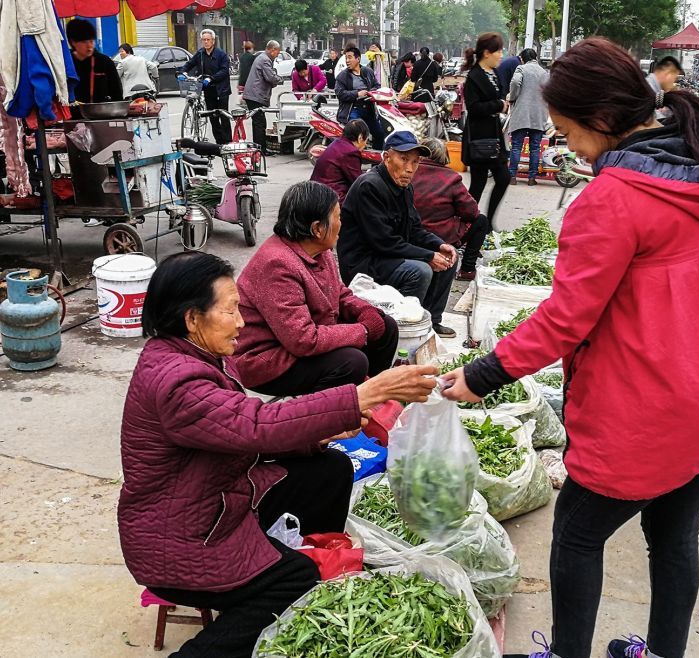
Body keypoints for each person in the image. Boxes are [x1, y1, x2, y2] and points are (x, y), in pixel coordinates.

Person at [442, 37, 699, 658]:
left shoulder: (610, 199)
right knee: (674, 533)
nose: (565, 146)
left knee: (576, 537)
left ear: (601, 121)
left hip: (650, 409)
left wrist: (482, 373)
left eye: (566, 131)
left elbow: (565, 319)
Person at [118, 251, 437, 658]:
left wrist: (319, 435)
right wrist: (362, 394)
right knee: (298, 579)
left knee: (330, 467)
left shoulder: (197, 355)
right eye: (231, 311)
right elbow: (256, 424)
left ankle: (295, 549)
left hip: (218, 499)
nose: (240, 323)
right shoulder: (176, 381)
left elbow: (240, 431)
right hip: (181, 539)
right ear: (192, 319)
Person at [233, 182, 399, 397]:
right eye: (337, 217)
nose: (342, 222)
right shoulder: (277, 264)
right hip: (269, 359)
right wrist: (364, 330)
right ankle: (331, 414)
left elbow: (337, 292)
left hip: (301, 338)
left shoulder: (319, 250)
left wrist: (364, 311)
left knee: (386, 325)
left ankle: (372, 395)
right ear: (317, 228)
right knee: (351, 361)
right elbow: (303, 340)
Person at [338, 131, 459, 337]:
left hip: (387, 254)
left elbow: (414, 229)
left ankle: (431, 321)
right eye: (403, 159)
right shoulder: (370, 186)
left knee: (447, 259)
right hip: (364, 261)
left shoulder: (404, 187)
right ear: (386, 157)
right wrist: (427, 256)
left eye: (415, 162)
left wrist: (439, 245)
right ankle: (400, 330)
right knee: (420, 270)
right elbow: (383, 242)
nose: (410, 168)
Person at [411, 137, 490, 281]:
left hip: (410, 235)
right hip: (440, 237)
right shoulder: (450, 178)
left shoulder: (409, 172)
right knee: (481, 221)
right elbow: (471, 212)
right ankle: (467, 269)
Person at [461, 33, 512, 226]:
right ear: (487, 53)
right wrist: (498, 105)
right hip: (479, 138)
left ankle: (489, 222)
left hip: (494, 135)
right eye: (498, 51)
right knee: (478, 184)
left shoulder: (494, 73)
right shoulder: (474, 77)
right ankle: (468, 223)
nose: (501, 55)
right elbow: (473, 108)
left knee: (504, 177)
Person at [181, 29, 233, 145]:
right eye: (203, 40)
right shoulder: (200, 54)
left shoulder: (221, 54)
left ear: (213, 41)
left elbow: (224, 71)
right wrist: (182, 72)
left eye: (208, 40)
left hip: (221, 90)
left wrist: (211, 78)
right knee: (212, 116)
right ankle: (219, 142)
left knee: (223, 115)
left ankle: (228, 141)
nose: (206, 42)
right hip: (208, 89)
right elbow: (189, 64)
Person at [506, 48, 549, 186]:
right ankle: (531, 178)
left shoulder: (521, 69)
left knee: (517, 145)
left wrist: (513, 97)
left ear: (523, 58)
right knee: (535, 147)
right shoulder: (544, 73)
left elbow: (515, 83)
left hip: (522, 113)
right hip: (538, 113)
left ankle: (512, 177)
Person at [310, 119, 370, 205]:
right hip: (331, 198)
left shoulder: (337, 143)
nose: (365, 145)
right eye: (366, 140)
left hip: (316, 193)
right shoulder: (350, 152)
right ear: (360, 137)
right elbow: (357, 182)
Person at [335, 46, 384, 150]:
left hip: (369, 109)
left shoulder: (368, 71)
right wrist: (357, 94)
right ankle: (353, 158)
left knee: (380, 133)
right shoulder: (342, 76)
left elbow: (377, 85)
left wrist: (371, 92)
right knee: (356, 135)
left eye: (350, 57)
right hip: (353, 110)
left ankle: (376, 162)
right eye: (346, 58)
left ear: (358, 59)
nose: (347, 61)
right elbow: (340, 93)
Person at [66, 19, 122, 104]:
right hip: (71, 114)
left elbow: (117, 95)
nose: (89, 46)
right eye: (84, 42)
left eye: (91, 41)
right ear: (73, 42)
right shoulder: (65, 63)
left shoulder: (105, 62)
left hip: (101, 113)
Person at [243, 40, 283, 155]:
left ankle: (259, 147)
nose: (277, 55)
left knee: (258, 122)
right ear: (272, 50)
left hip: (253, 95)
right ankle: (260, 149)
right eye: (277, 52)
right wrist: (279, 79)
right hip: (255, 95)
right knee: (259, 123)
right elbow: (270, 77)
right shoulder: (265, 59)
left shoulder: (262, 58)